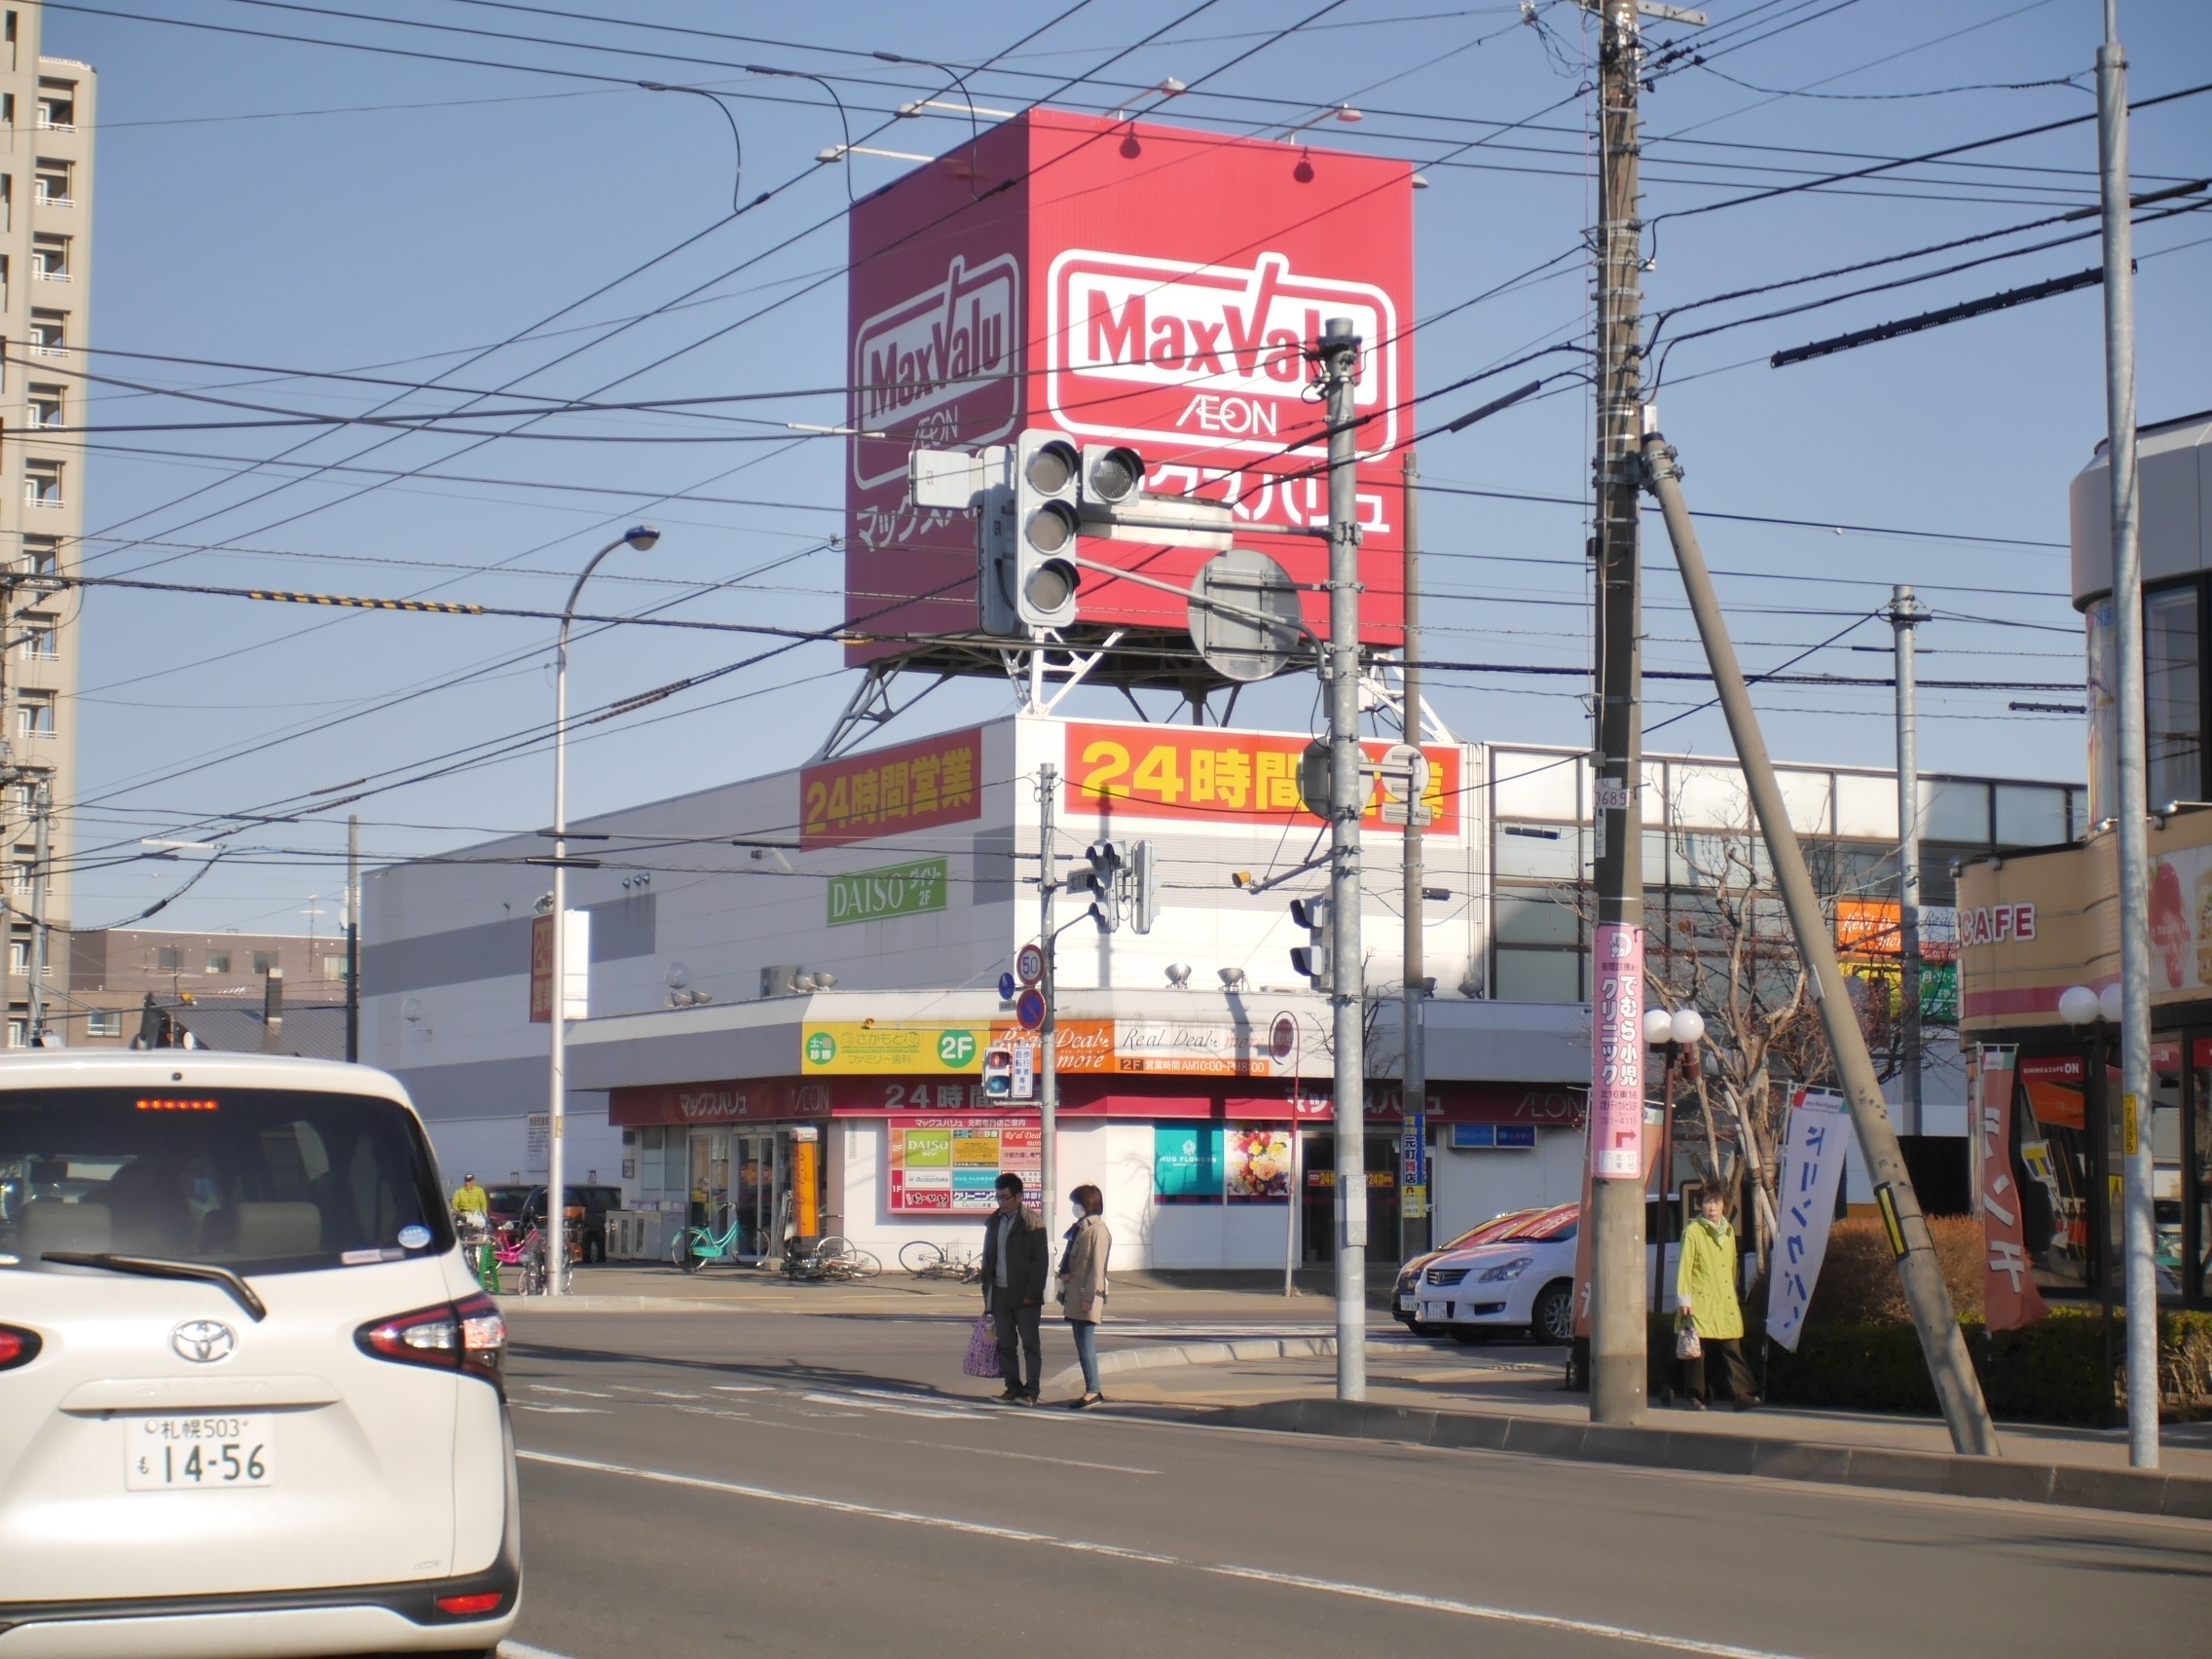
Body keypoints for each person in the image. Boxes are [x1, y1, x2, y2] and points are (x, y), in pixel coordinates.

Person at [1677, 1185, 1758, 1411]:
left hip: (1724, 1300)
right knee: (1697, 1349)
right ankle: (1695, 1396)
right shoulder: (1693, 1231)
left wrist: (1734, 1293)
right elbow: (1685, 1266)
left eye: (1716, 1201)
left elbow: (1732, 1266)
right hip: (1701, 1299)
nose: (1711, 1207)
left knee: (1731, 1346)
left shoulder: (1729, 1232)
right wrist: (1684, 1299)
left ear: (1724, 1204)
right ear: (1700, 1205)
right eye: (1707, 1202)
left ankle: (1740, 1394)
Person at [977, 1172, 1048, 1404]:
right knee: (1006, 1343)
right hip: (999, 1292)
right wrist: (986, 1290)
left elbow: (1040, 1262)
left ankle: (1032, 1391)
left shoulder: (1033, 1222)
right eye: (997, 1197)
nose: (1000, 1202)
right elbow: (989, 1257)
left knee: (1030, 1344)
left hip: (1025, 1295)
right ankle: (1012, 1387)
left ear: (1018, 1197)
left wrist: (1032, 1293)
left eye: (1005, 1197)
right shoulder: (995, 1221)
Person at [1057, 1184, 1112, 1409]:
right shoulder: (1082, 1228)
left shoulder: (1097, 1230)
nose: (1074, 1208)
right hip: (1076, 1292)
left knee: (1086, 1344)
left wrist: (1090, 1297)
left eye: (1077, 1203)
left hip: (1085, 1295)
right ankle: (1091, 1389)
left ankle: (1093, 1390)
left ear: (1087, 1204)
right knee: (1082, 1344)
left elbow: (1097, 1269)